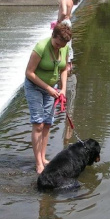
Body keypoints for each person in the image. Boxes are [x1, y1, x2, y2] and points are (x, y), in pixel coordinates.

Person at [24, 22, 72, 174]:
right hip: (35, 87)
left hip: (53, 89)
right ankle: (38, 163)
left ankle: (43, 157)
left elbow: (64, 68)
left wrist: (63, 89)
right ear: (53, 36)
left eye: (62, 45)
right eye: (57, 43)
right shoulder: (40, 47)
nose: (59, 47)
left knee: (47, 123)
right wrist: (48, 88)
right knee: (38, 123)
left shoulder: (64, 47)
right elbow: (29, 73)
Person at [56, 0, 74, 72]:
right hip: (68, 22)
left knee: (62, 43)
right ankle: (69, 64)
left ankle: (64, 64)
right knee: (68, 44)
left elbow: (64, 12)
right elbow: (69, 13)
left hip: (64, 22)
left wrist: (59, 21)